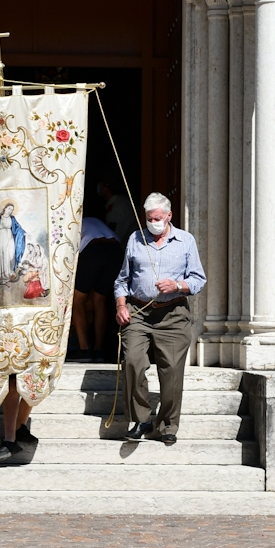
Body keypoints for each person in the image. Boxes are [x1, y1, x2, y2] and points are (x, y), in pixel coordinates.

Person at [114, 192, 205, 444]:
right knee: (132, 361)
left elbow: (198, 279)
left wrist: (177, 284)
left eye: (157, 218)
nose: (153, 222)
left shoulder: (185, 241)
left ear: (169, 216)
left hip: (173, 314)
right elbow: (122, 279)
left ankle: (167, 426)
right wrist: (121, 305)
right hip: (139, 312)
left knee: (172, 371)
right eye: (149, 218)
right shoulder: (135, 239)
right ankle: (141, 418)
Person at [72, 217, 123, 360]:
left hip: (93, 249)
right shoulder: (95, 221)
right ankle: (99, 350)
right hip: (115, 250)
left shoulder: (73, 221)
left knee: (77, 300)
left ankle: (84, 350)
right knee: (99, 300)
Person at [0, 200, 26, 284]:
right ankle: (2, 274)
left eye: (12, 209)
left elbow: (18, 227)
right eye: (9, 208)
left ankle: (9, 272)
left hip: (10, 236)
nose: (10, 211)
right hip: (1, 237)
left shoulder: (12, 218)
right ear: (4, 208)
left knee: (11, 253)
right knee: (2, 253)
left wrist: (23, 232)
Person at [97, 177, 135, 245]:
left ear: (106, 188)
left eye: (101, 185)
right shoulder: (123, 201)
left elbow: (114, 237)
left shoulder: (116, 208)